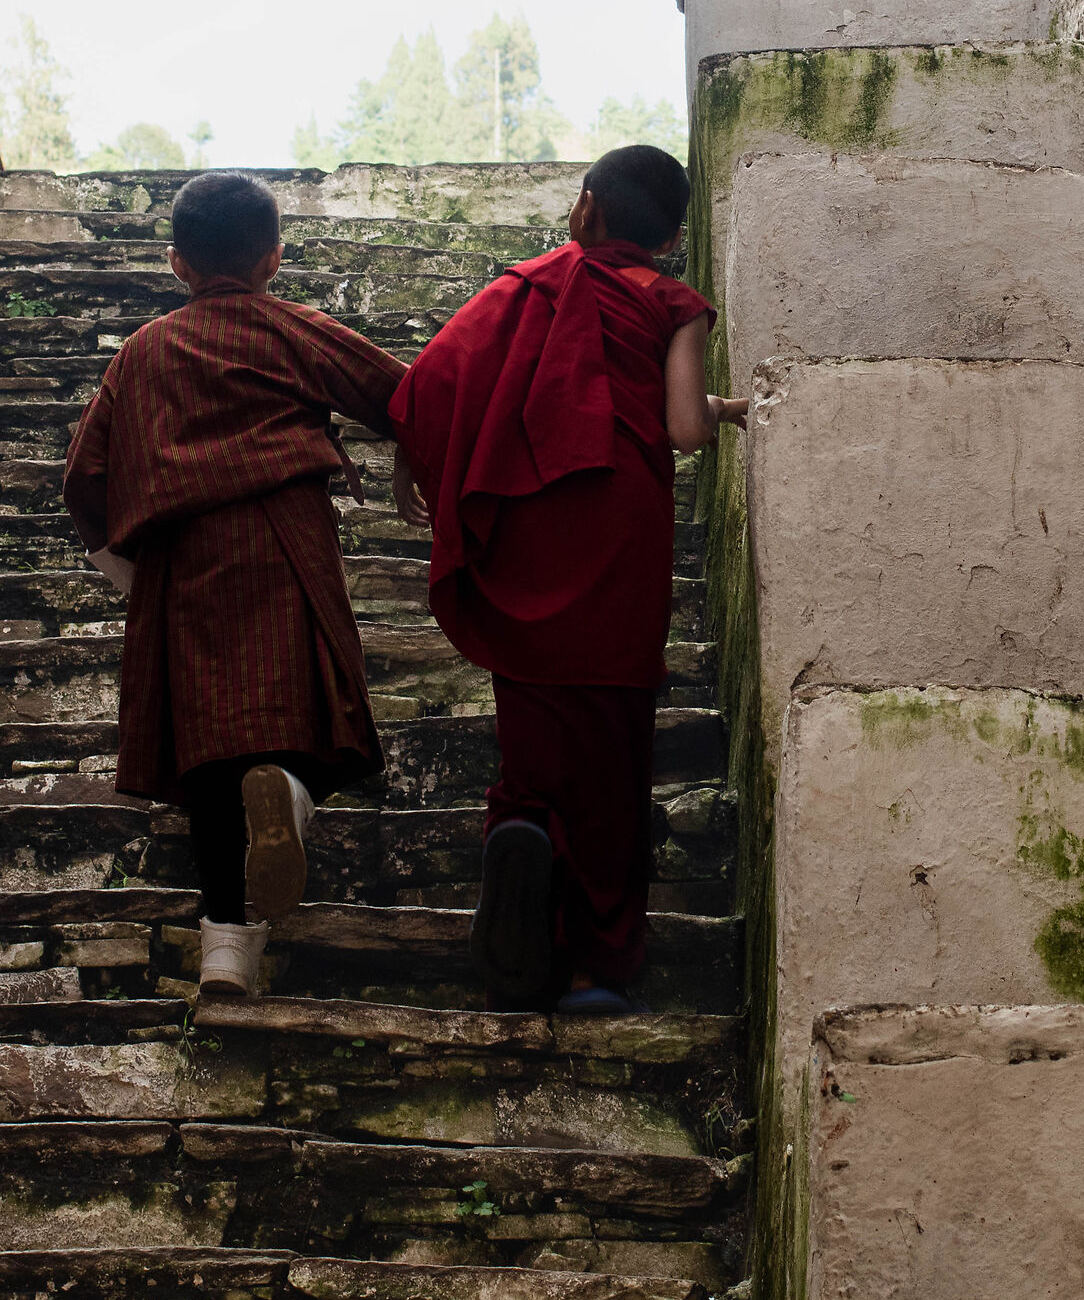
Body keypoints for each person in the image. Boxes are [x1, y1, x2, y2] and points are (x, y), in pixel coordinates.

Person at [388, 142, 746, 1014]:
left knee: (536, 728)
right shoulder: (674, 302)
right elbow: (682, 428)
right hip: (620, 536)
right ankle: (592, 969)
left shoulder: (530, 284)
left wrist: (413, 465)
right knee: (613, 750)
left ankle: (521, 823)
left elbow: (433, 381)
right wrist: (721, 412)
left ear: (586, 209)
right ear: (674, 237)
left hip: (533, 530)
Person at [62, 171, 422, 998]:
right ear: (274, 259)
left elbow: (84, 475)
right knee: (319, 714)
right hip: (285, 541)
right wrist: (410, 452)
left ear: (177, 264)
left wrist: (126, 567)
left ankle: (226, 949)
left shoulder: (142, 351)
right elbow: (408, 393)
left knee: (207, 752)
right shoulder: (293, 327)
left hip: (182, 560)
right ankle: (292, 793)